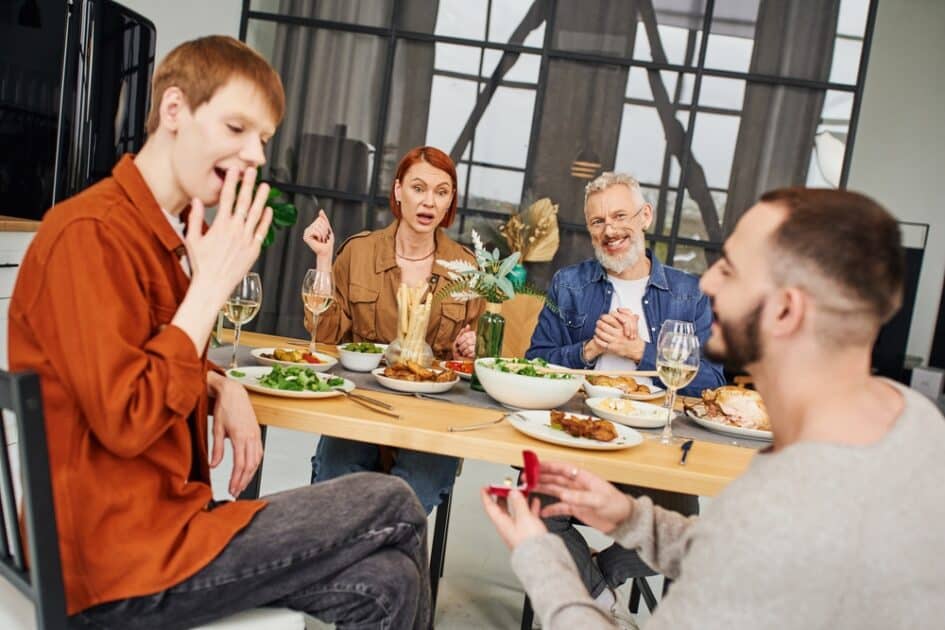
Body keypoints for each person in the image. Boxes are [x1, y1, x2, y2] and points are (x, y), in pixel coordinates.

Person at [9, 36, 430, 629]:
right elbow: (125, 414)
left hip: (164, 527)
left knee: (390, 582)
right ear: (175, 110)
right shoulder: (91, 233)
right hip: (111, 564)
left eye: (262, 138)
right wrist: (209, 288)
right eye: (237, 127)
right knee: (394, 500)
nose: (255, 154)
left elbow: (143, 352)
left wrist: (218, 384)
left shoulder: (166, 232)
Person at [483, 188, 945, 629]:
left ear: (786, 311)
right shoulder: (915, 418)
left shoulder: (790, 505)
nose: (707, 281)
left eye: (732, 269)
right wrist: (630, 517)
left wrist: (540, 561)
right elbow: (738, 556)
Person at [525, 172, 725, 623]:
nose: (609, 230)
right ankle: (602, 605)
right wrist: (590, 350)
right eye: (597, 222)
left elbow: (712, 382)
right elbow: (535, 362)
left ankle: (597, 576)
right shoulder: (569, 285)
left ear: (645, 216)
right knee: (532, 499)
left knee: (690, 526)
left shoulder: (689, 295)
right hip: (581, 439)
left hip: (655, 455)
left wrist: (640, 352)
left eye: (619, 216)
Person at [303, 145, 484, 513]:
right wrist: (324, 260)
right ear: (399, 190)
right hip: (362, 402)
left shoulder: (466, 267)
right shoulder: (359, 253)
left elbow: (481, 360)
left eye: (441, 192)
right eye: (418, 188)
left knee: (409, 498)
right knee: (333, 484)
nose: (428, 202)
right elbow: (324, 335)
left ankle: (367, 566)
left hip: (435, 414)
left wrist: (473, 348)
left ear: (450, 202)